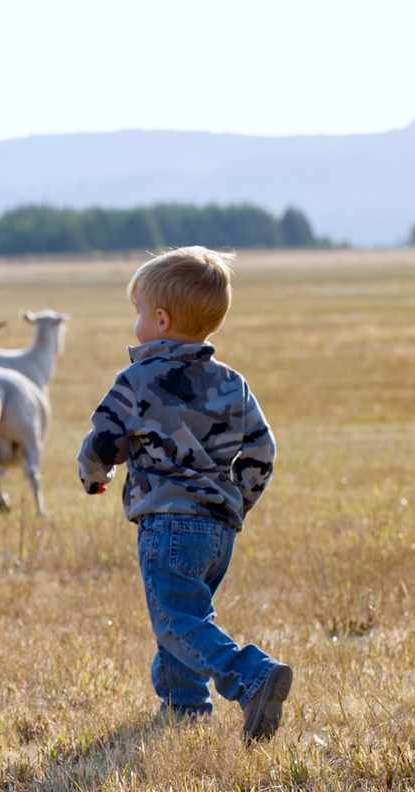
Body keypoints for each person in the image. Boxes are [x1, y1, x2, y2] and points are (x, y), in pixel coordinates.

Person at [77, 246, 292, 741]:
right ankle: (185, 709)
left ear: (160, 318)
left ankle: (250, 677)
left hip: (168, 523)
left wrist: (93, 474)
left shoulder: (136, 380)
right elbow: (263, 449)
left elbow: (104, 441)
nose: (135, 324)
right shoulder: (232, 384)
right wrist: (237, 501)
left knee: (176, 620)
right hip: (218, 529)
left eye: (137, 313)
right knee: (187, 617)